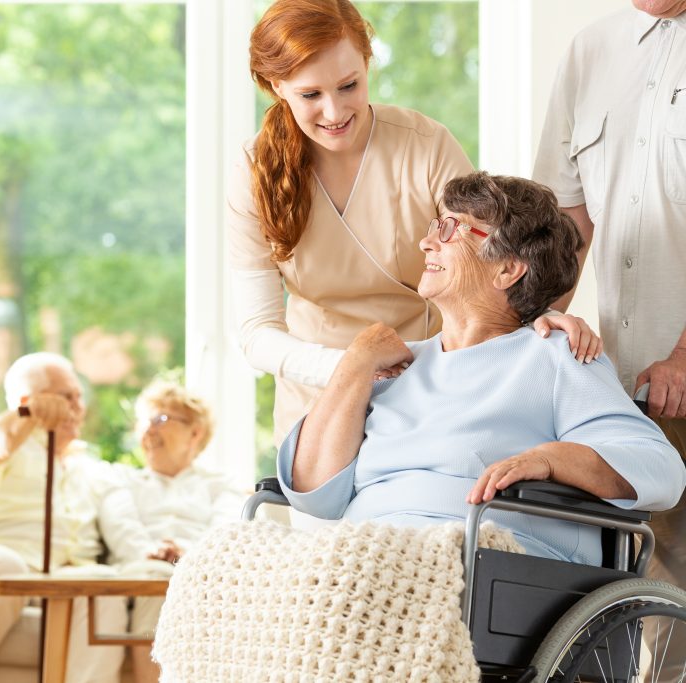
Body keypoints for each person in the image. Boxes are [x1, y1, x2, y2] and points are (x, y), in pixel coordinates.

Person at [229, 0, 600, 443]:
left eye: (349, 85)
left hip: (430, 384)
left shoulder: (425, 147)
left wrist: (540, 318)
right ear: (277, 86)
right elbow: (258, 332)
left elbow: (491, 255)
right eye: (311, 95)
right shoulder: (255, 172)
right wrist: (352, 367)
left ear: (368, 63)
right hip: (318, 394)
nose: (334, 111)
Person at [276, 172, 686, 567]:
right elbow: (312, 491)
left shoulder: (555, 355)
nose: (425, 242)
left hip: (478, 565)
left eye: (450, 229)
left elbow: (660, 470)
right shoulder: (392, 366)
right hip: (363, 559)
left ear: (507, 269)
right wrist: (357, 360)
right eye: (436, 226)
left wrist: (551, 459)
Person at [533, 3, 686, 675]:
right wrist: (537, 329)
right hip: (622, 387)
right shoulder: (590, 51)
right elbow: (565, 218)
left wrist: (684, 354)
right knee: (632, 590)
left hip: (676, 368)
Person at [0, 352, 125, 683]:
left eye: (79, 397)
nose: (77, 407)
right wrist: (28, 414)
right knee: (4, 567)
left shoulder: (88, 466)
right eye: (66, 396)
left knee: (103, 586)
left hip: (60, 574)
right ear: (26, 399)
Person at [99, 381, 243, 683]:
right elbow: (120, 527)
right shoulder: (122, 480)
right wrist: (151, 553)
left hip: (201, 573)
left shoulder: (221, 484)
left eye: (160, 419)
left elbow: (226, 529)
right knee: (157, 575)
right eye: (144, 422)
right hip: (141, 574)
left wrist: (187, 554)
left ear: (195, 432)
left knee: (186, 578)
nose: (148, 431)